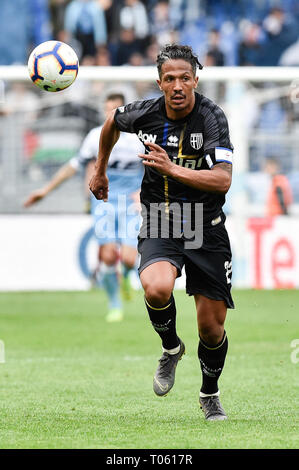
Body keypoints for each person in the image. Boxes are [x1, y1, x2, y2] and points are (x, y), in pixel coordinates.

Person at [89, 44, 234, 421]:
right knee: (155, 287)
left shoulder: (213, 117)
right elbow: (111, 123)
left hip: (206, 226)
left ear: (195, 80)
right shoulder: (145, 113)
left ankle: (209, 393)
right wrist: (100, 169)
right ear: (160, 83)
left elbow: (222, 180)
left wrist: (173, 170)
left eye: (185, 77)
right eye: (170, 79)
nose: (178, 85)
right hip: (161, 220)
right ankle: (171, 349)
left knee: (211, 328)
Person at [24, 93, 144, 323]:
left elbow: (153, 168)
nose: (112, 115)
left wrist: (143, 192)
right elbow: (73, 166)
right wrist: (45, 191)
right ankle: (114, 304)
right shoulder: (95, 136)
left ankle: (127, 277)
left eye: (116, 110)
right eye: (108, 110)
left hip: (130, 202)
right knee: (108, 256)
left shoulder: (137, 138)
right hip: (104, 200)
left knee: (129, 259)